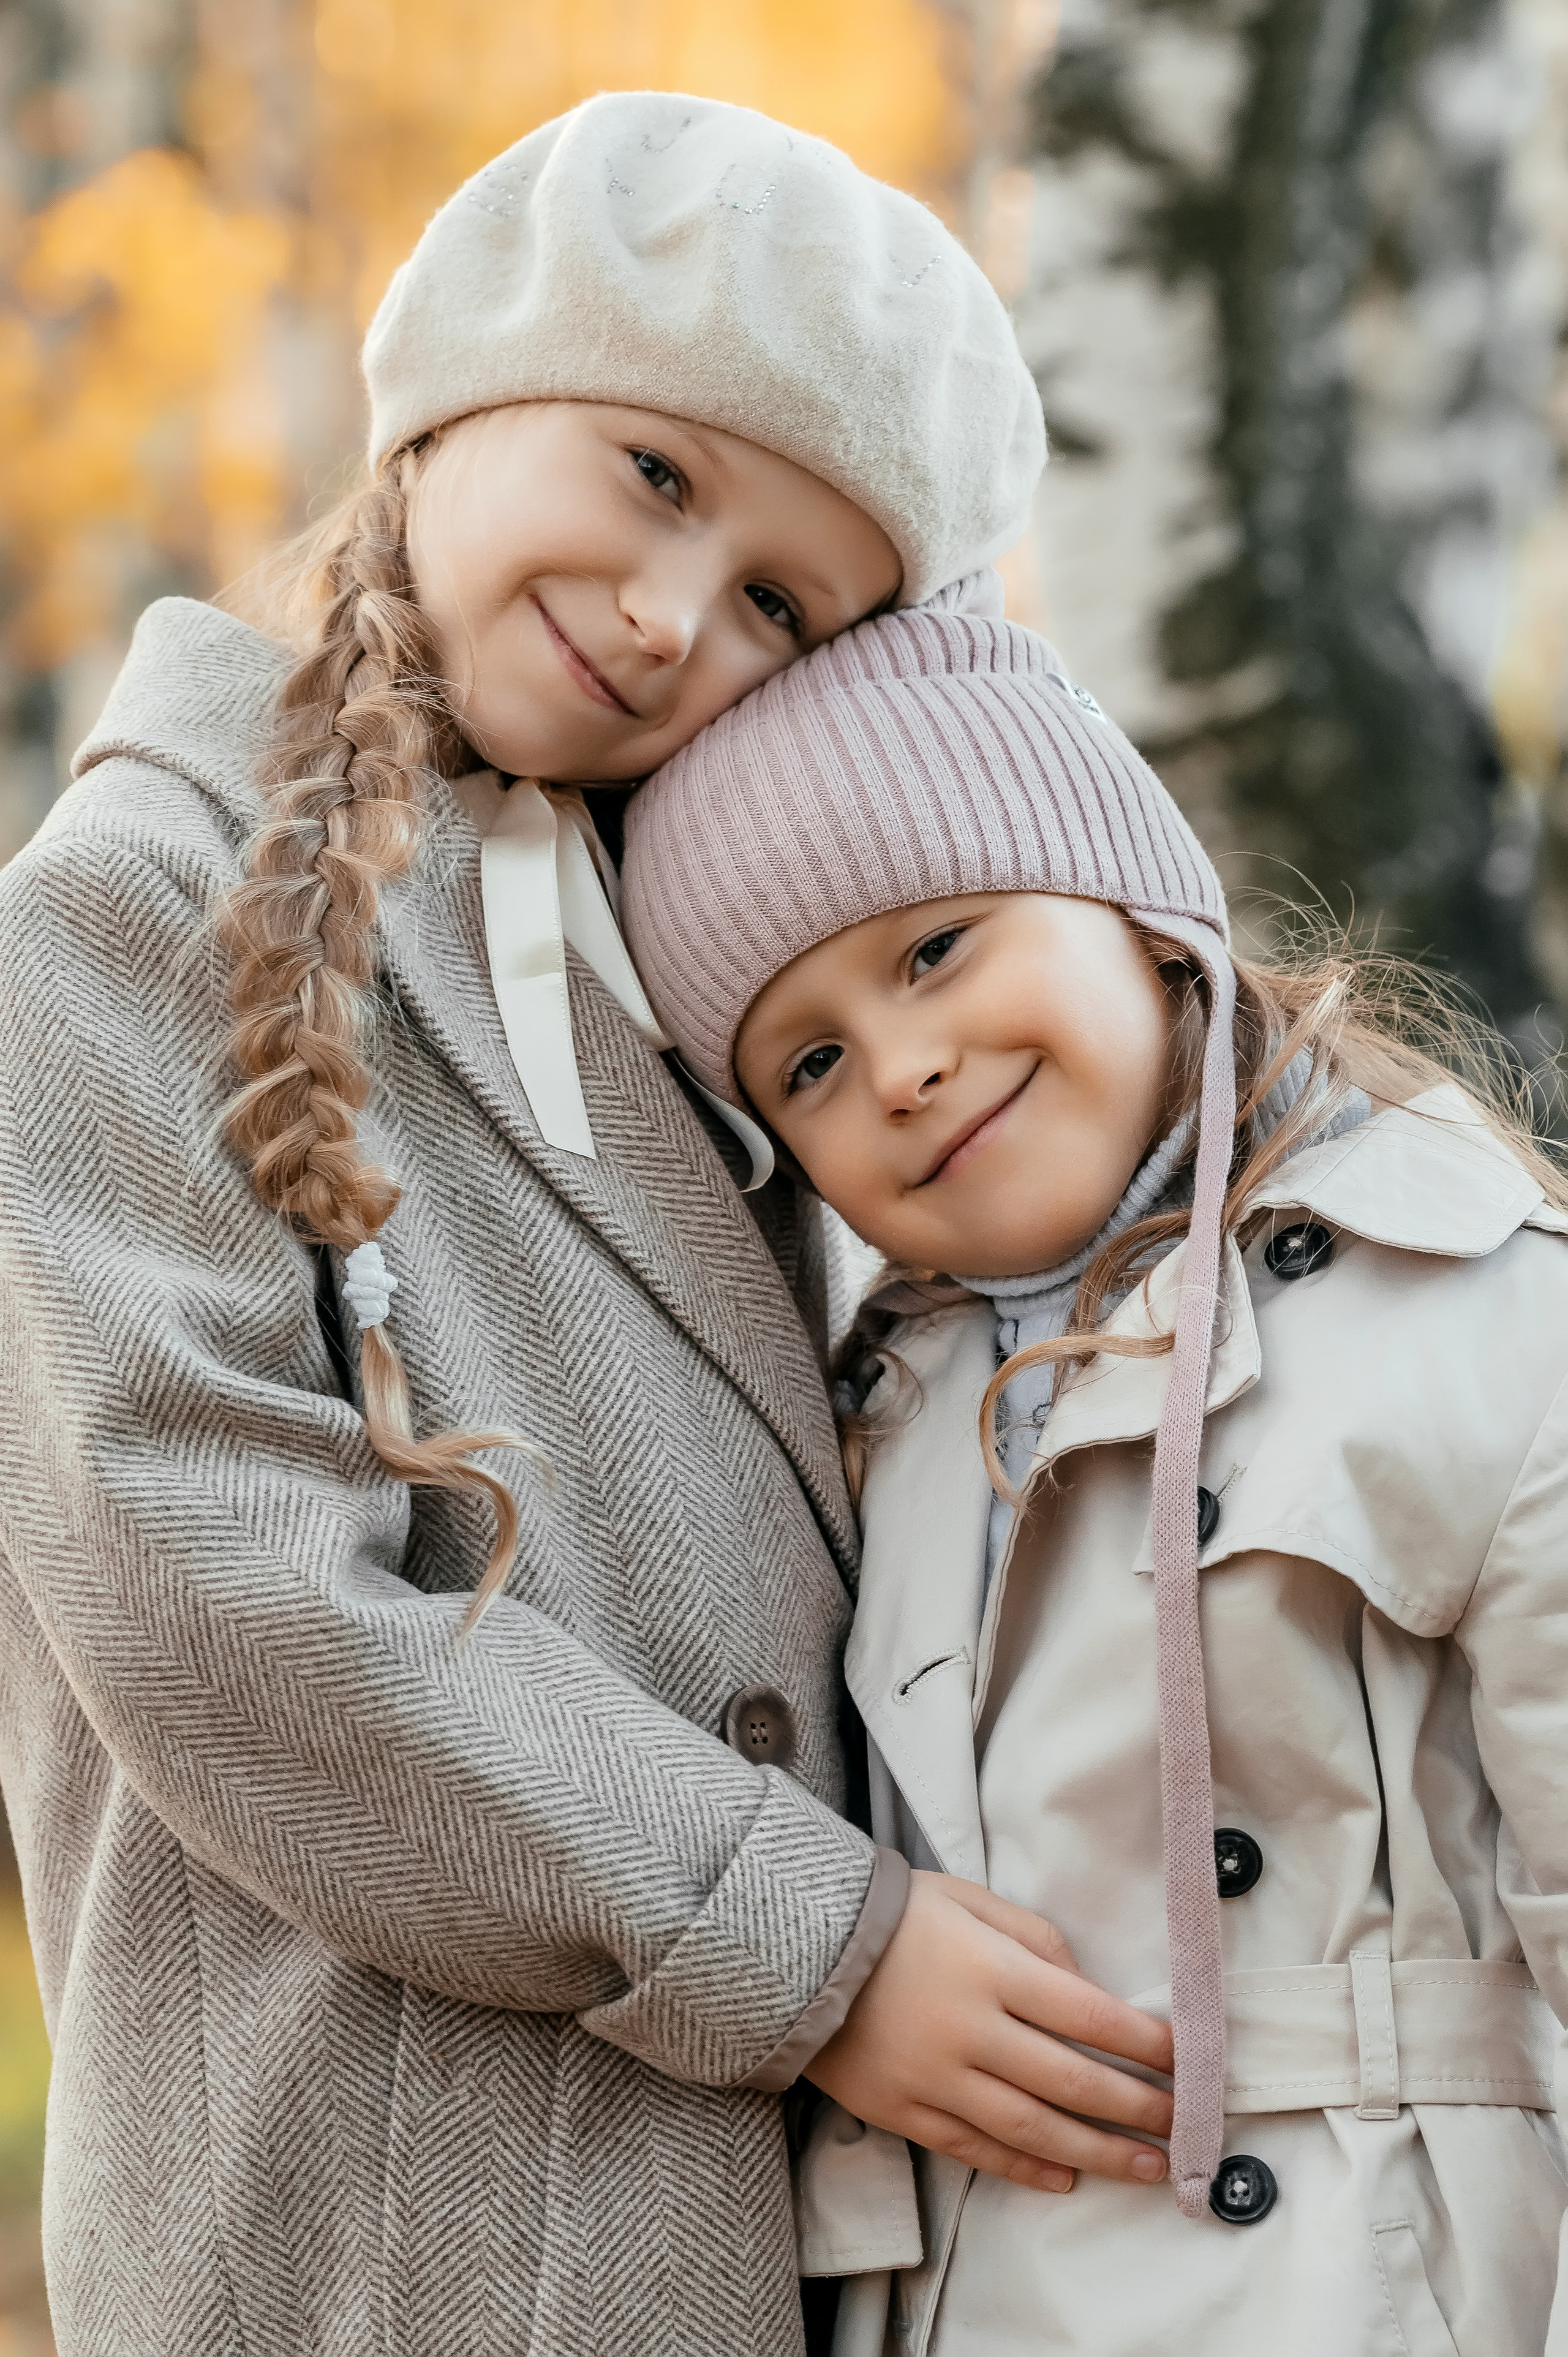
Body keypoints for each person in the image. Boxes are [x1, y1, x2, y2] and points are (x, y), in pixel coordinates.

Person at [0, 92, 1161, 2357]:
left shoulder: (718, 1006)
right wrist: (806, 1942)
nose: (667, 616)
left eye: (778, 605)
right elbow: (216, 1585)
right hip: (363, 2245)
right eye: (656, 474)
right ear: (452, 398)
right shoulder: (115, 918)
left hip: (739, 2241)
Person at [622, 587, 1568, 2356]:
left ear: (1130, 900)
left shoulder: (1485, 1307)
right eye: (809, 1063)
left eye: (937, 947)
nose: (901, 1067)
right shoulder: (862, 1426)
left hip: (1355, 2280)